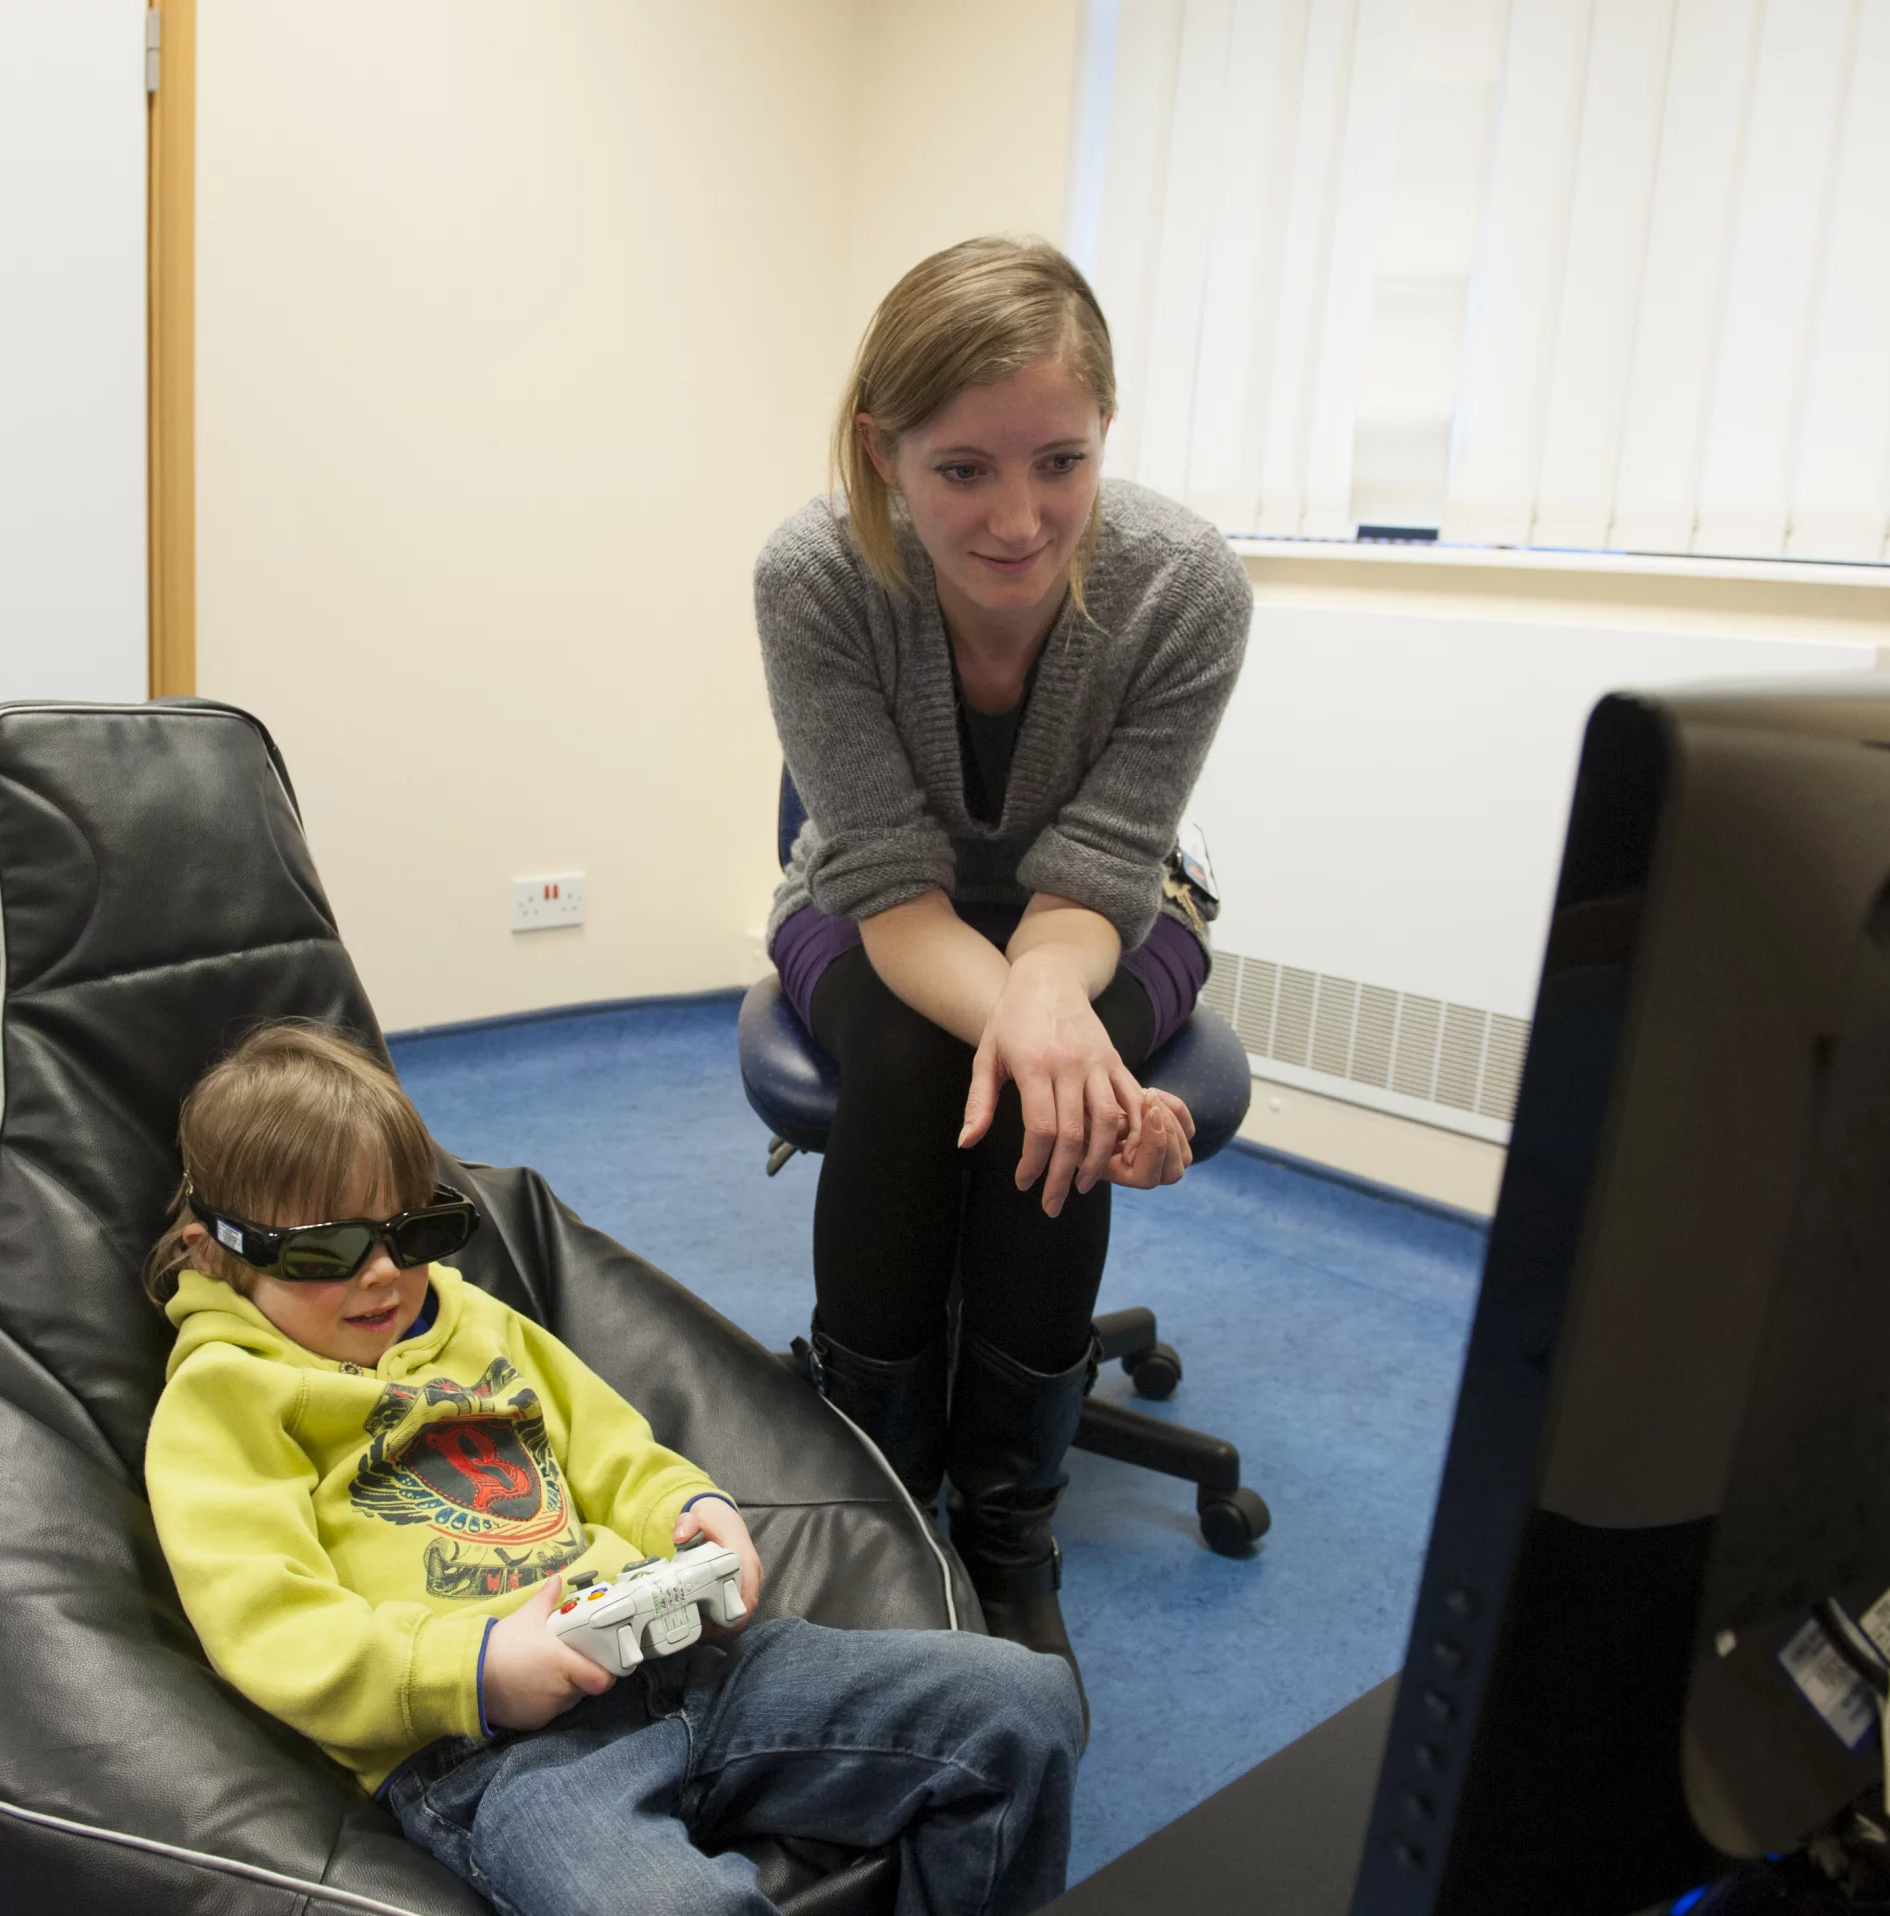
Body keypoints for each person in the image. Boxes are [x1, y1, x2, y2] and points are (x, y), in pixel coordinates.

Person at [142, 1023, 1084, 1916]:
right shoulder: (224, 1400)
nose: (383, 1275)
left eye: (413, 1233)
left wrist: (687, 1508)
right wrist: (473, 1669)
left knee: (1020, 1705)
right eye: (328, 1251)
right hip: (493, 1752)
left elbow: (611, 1451)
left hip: (678, 1657)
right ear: (218, 1254)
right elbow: (272, 1621)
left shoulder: (481, 1324)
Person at [759, 236, 1249, 1688]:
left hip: (1117, 919)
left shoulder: (1185, 589)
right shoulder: (813, 577)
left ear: (1105, 440)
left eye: (1062, 462)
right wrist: (1052, 1040)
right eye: (964, 469)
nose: (1021, 519)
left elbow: (1098, 884)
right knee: (928, 1051)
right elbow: (898, 902)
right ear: (883, 452)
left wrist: (1055, 1014)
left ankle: (1010, 1532)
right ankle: (880, 1503)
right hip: (864, 904)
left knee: (1042, 1071)